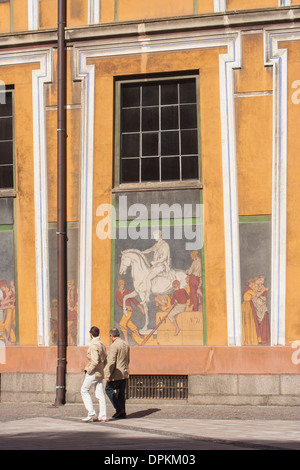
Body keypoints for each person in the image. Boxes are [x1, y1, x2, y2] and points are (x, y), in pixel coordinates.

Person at [81, 326, 107, 422]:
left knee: (84, 390)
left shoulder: (94, 345)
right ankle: (103, 416)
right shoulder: (101, 344)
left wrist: (89, 370)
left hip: (94, 372)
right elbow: (105, 358)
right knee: (100, 394)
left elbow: (95, 361)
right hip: (100, 371)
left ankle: (91, 413)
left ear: (91, 334)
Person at [104, 327, 130, 419]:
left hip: (116, 373)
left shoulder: (114, 345)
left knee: (108, 389)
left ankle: (119, 409)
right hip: (124, 372)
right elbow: (128, 359)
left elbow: (111, 361)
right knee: (120, 393)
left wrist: (108, 374)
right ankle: (122, 413)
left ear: (111, 336)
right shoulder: (125, 344)